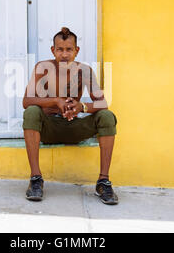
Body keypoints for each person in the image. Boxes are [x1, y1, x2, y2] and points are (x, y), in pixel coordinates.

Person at [22, 27, 118, 205]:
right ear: (53, 50)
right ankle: (36, 179)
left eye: (69, 50)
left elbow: (103, 102)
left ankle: (103, 182)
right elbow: (26, 101)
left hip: (75, 127)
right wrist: (55, 101)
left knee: (106, 116)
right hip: (48, 128)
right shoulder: (42, 68)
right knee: (31, 112)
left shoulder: (85, 71)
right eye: (60, 49)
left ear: (76, 51)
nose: (64, 54)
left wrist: (81, 107)